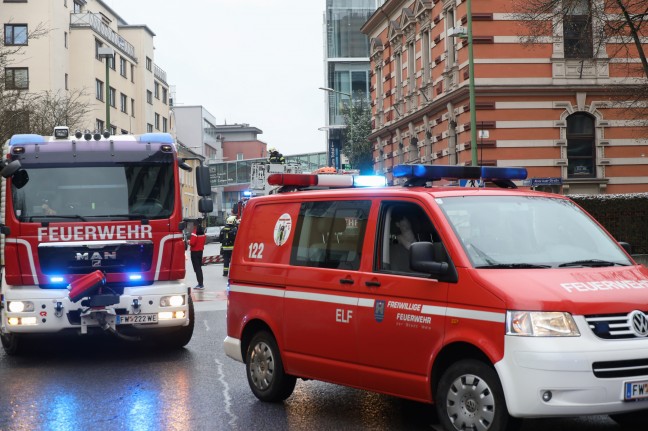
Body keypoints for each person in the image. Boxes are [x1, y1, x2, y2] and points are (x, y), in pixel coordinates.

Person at [189, 224, 207, 289]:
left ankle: (200, 284)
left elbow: (192, 243)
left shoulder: (195, 232)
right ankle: (201, 283)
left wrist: (189, 242)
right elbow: (204, 241)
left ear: (195, 226)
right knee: (199, 268)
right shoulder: (203, 232)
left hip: (194, 252)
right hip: (200, 252)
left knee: (197, 269)